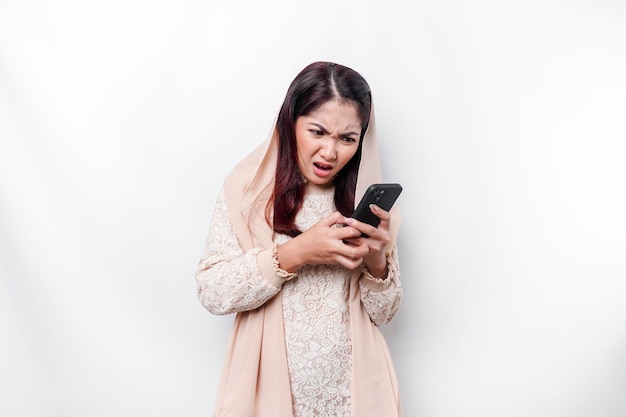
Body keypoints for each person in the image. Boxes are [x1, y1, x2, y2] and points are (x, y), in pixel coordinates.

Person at [195, 61, 403, 417]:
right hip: (268, 391)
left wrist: (376, 261)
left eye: (347, 139)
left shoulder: (364, 208)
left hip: (354, 394)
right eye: (318, 131)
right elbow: (212, 292)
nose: (330, 152)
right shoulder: (246, 193)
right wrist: (295, 253)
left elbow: (384, 314)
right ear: (290, 123)